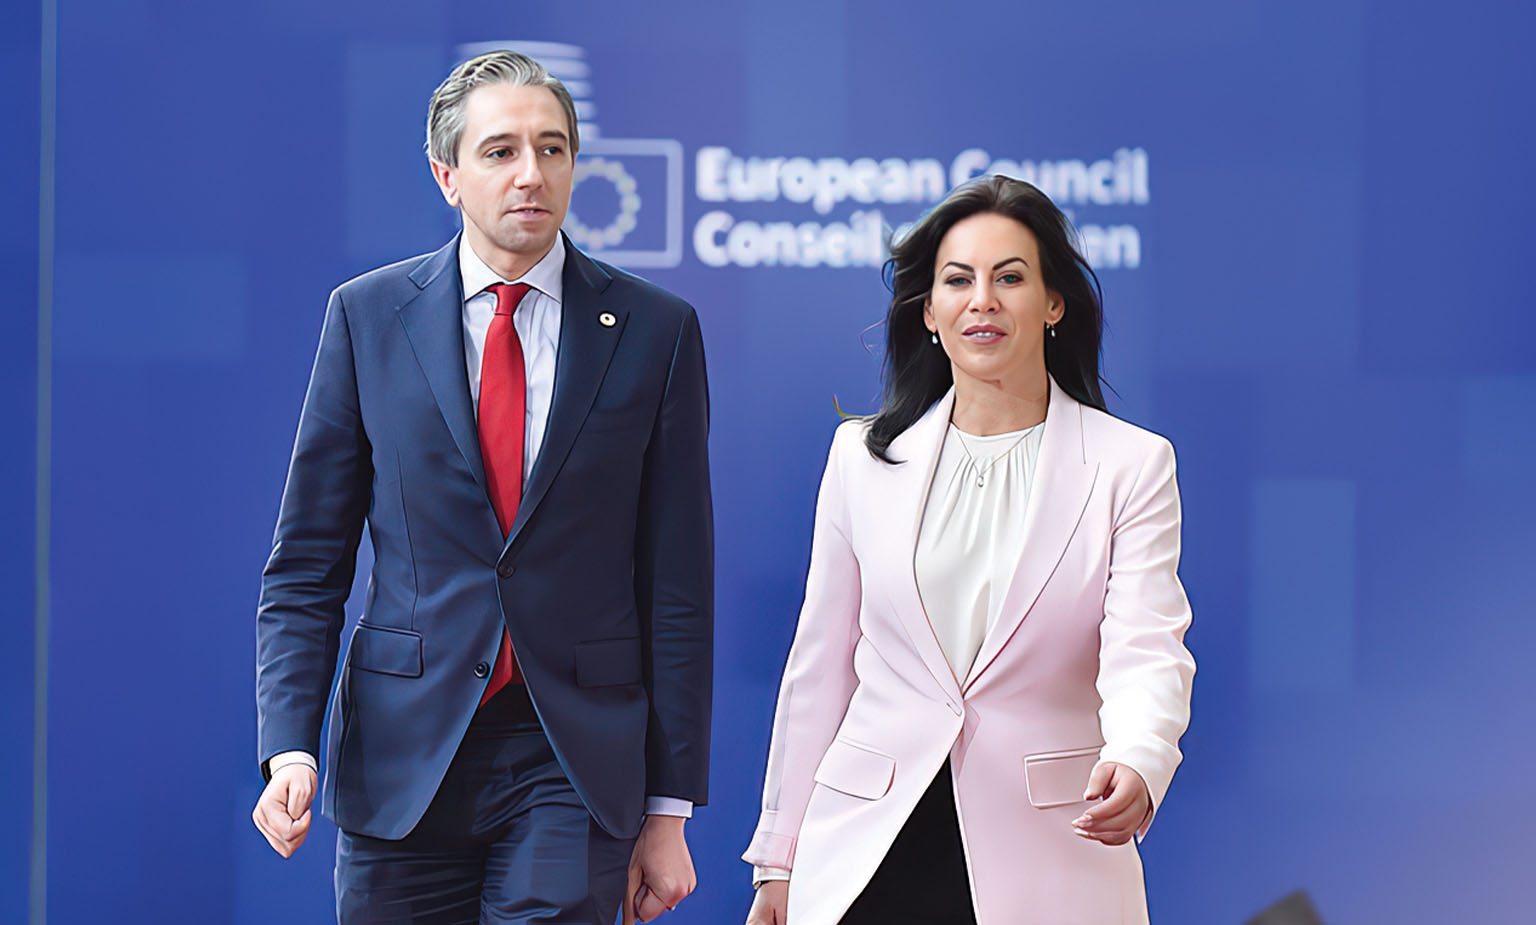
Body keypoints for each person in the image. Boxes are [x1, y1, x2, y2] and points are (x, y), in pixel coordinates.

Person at [250, 50, 713, 925]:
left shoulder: (656, 331)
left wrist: (669, 807)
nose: (531, 173)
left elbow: (678, 586)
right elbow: (307, 562)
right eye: (500, 151)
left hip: (571, 756)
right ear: (448, 176)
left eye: (552, 149)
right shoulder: (367, 317)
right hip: (401, 755)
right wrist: (288, 748)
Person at [742, 175, 1195, 925]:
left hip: (1050, 851)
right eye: (958, 280)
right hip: (869, 846)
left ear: (1053, 304)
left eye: (1009, 278)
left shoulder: (1130, 464)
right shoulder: (862, 458)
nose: (982, 300)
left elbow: (1147, 645)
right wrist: (779, 862)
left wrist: (1140, 755)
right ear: (929, 311)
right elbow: (819, 667)